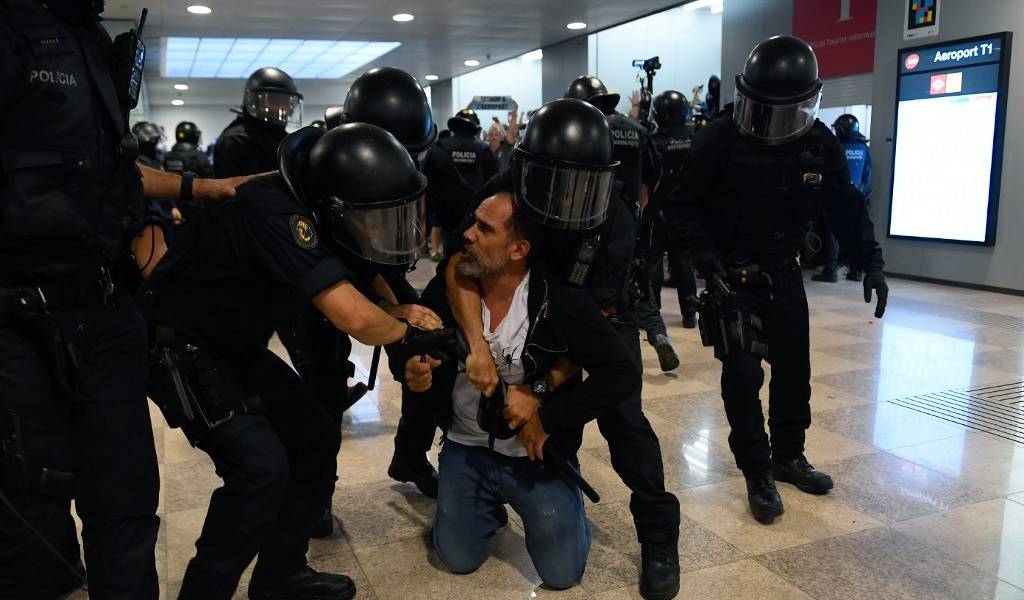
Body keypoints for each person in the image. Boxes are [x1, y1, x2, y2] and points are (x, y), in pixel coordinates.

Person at [0, 2, 249, 597]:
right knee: (28, 514)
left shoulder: (87, 36)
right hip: (18, 317)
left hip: (102, 306)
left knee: (127, 502)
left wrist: (202, 188)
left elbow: (116, 172)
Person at [142, 123, 445, 600]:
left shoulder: (314, 201)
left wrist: (395, 309)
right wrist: (407, 328)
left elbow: (365, 281)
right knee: (259, 470)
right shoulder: (275, 209)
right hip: (183, 346)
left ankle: (280, 575)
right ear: (337, 209)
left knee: (316, 437)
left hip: (234, 346)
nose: (379, 230)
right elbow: (354, 318)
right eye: (373, 219)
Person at [446, 99, 682, 600]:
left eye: (585, 185)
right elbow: (458, 263)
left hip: (599, 321)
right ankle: (528, 494)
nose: (572, 201)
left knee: (626, 428)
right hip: (534, 314)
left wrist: (540, 389)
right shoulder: (503, 190)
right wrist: (477, 347)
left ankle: (659, 536)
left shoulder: (615, 220)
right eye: (560, 184)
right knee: (548, 437)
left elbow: (593, 331)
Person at [663, 35, 889, 525]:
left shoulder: (816, 140)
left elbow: (845, 207)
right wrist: (706, 259)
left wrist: (870, 262)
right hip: (731, 275)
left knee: (794, 372)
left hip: (783, 273)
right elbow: (680, 206)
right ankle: (757, 470)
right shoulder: (719, 138)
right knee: (742, 375)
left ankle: (789, 455)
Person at [405, 184, 639, 590]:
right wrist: (414, 370)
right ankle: (480, 505)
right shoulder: (449, 288)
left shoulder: (557, 297)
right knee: (456, 559)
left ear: (518, 250)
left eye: (484, 229)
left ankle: (564, 501)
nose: (468, 234)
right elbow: (414, 345)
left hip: (536, 457)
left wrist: (546, 414)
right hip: (467, 449)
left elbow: (620, 371)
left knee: (562, 575)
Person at [564, 75, 679, 373]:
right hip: (632, 219)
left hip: (590, 221)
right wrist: (637, 217)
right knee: (636, 281)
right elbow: (650, 183)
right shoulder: (637, 131)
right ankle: (657, 333)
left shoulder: (585, 130)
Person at [649, 91, 699, 329]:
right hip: (687, 209)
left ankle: (653, 311)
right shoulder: (696, 136)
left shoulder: (656, 140)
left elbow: (649, 175)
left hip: (660, 208)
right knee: (684, 263)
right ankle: (690, 313)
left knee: (655, 261)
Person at [214, 67, 302, 178]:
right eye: (274, 100)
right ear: (254, 102)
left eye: (286, 102)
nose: (282, 107)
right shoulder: (236, 140)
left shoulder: (278, 137)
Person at [814, 114, 873, 282]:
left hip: (837, 197)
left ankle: (830, 270)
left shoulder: (836, 147)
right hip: (859, 198)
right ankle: (856, 272)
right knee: (856, 232)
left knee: (832, 232)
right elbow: (868, 177)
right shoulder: (864, 149)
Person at [438, 108, 500, 193]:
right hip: (476, 202)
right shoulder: (483, 148)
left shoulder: (442, 145)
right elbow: (494, 176)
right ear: (476, 127)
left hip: (446, 201)